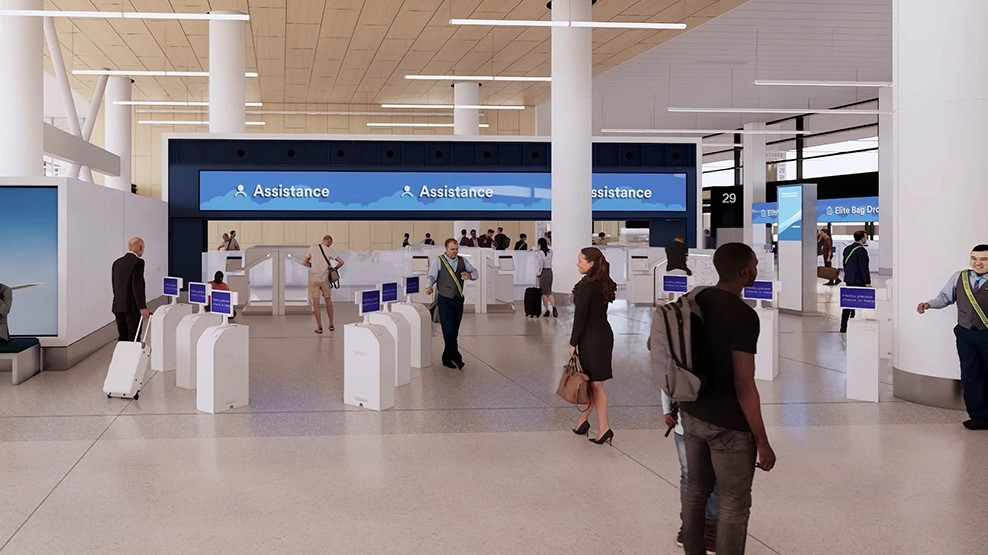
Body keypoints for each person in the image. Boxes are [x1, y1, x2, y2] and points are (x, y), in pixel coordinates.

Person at [679, 242, 776, 555]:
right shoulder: (744, 316)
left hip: (692, 413)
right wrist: (762, 441)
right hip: (730, 425)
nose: (756, 270)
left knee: (695, 492)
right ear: (744, 271)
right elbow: (744, 384)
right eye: (754, 265)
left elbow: (657, 344)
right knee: (734, 503)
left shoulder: (693, 299)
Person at [917, 244, 988, 430]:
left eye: (984, 259)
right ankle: (979, 417)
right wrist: (929, 304)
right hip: (965, 333)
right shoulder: (960, 277)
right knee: (970, 374)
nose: (977, 263)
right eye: (974, 258)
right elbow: (945, 297)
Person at [570, 247, 617, 445]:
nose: (578, 264)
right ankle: (583, 421)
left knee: (596, 385)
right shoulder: (602, 283)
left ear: (590, 263)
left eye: (581, 260)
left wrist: (572, 343)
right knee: (592, 382)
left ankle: (604, 428)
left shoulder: (586, 286)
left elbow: (580, 318)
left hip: (591, 339)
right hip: (604, 335)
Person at [663, 391, 719, 552]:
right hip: (684, 422)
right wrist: (667, 409)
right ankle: (689, 523)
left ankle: (711, 525)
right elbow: (669, 377)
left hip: (720, 423)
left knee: (716, 475)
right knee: (689, 476)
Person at [425, 238, 479, 369]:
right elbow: (431, 276)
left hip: (458, 299)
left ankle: (446, 358)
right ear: (446, 248)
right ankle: (457, 357)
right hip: (444, 300)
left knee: (454, 331)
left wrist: (469, 275)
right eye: (452, 249)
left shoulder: (462, 261)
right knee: (448, 330)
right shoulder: (439, 260)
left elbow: (475, 273)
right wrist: (429, 286)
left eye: (456, 249)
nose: (455, 252)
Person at [302, 235, 345, 334]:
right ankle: (331, 324)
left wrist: (313, 266)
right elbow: (341, 262)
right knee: (328, 300)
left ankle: (319, 327)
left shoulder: (312, 248)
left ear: (323, 240)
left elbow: (304, 262)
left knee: (315, 302)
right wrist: (334, 268)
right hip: (325, 279)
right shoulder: (329, 250)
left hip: (314, 279)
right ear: (329, 242)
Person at [111, 237, 150, 342]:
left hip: (118, 307)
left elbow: (115, 285)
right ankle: (131, 358)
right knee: (134, 339)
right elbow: (137, 285)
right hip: (132, 309)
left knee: (122, 337)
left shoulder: (117, 263)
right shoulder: (138, 262)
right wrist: (142, 307)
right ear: (141, 247)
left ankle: (122, 358)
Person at [840, 231, 871, 333]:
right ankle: (854, 324)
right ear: (862, 238)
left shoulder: (847, 249)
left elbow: (845, 265)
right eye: (865, 237)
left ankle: (843, 326)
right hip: (858, 280)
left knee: (848, 302)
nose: (866, 238)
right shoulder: (861, 251)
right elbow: (864, 268)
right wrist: (867, 282)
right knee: (857, 303)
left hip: (849, 279)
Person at [534, 238, 557, 318]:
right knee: (549, 291)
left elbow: (541, 263)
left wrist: (539, 272)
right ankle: (554, 306)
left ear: (539, 244)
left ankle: (546, 309)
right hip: (550, 271)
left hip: (543, 272)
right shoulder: (551, 252)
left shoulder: (539, 253)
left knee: (543, 293)